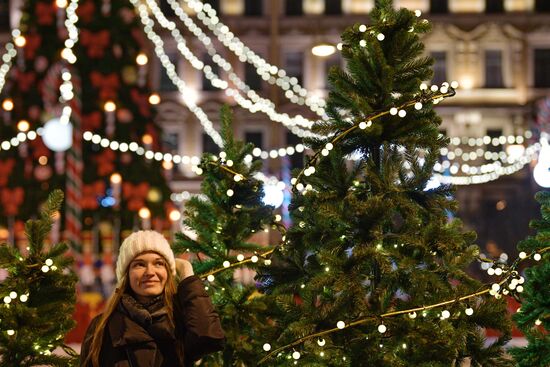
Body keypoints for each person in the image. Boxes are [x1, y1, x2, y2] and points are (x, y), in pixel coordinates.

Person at [80, 230, 225, 366]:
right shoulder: (102, 326)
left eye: (159, 263)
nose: (150, 272)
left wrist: (187, 272)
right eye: (140, 264)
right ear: (127, 275)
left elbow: (208, 339)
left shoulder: (182, 317)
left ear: (168, 272)